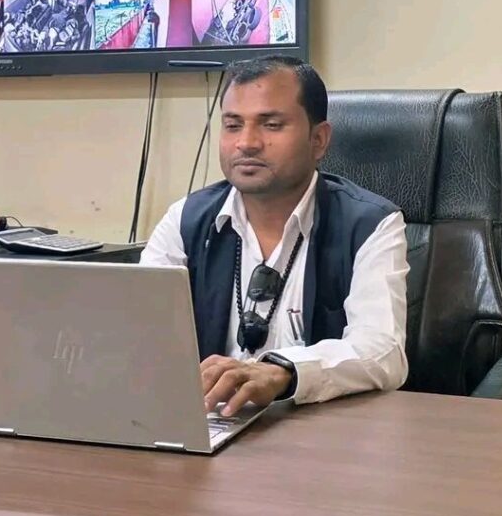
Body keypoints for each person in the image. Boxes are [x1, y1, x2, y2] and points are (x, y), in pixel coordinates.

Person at [140, 56, 408, 415]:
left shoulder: (370, 224)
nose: (246, 143)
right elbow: (140, 332)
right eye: (233, 125)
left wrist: (284, 371)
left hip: (319, 429)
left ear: (318, 140)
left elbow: (383, 351)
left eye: (271, 125)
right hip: (209, 422)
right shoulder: (186, 220)